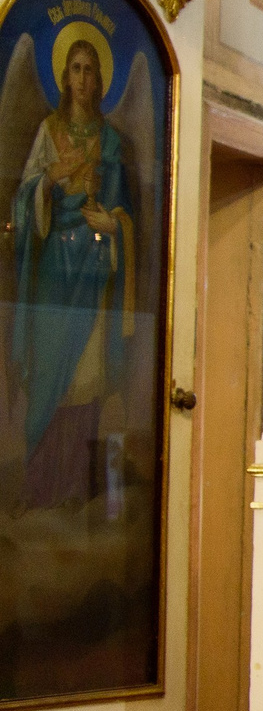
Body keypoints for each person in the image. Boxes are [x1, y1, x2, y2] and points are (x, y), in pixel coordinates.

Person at [9, 28, 137, 511]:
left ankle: (72, 492)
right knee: (48, 378)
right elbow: (22, 202)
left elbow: (124, 211)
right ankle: (38, 487)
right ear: (64, 76)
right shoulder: (47, 131)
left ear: (100, 79)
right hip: (52, 277)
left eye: (89, 70)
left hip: (91, 270)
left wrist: (114, 223)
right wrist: (47, 182)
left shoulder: (109, 140)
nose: (81, 79)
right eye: (74, 69)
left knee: (84, 382)